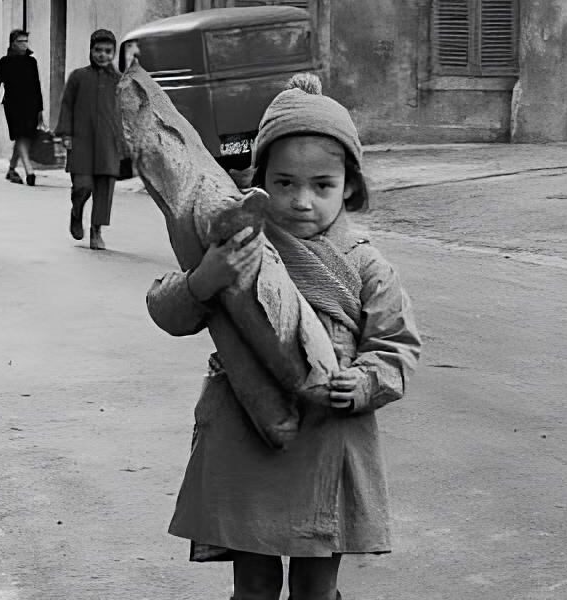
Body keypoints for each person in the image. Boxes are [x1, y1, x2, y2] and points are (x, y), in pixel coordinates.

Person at [145, 76, 422, 600]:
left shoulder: (368, 266)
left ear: (351, 189)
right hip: (246, 429)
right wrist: (207, 276)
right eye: (284, 183)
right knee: (252, 585)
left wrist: (364, 383)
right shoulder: (238, 243)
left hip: (330, 434)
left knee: (316, 588)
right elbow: (167, 311)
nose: (301, 201)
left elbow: (396, 346)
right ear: (259, 182)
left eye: (322, 185)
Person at [55, 29, 123, 250]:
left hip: (108, 142)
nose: (102, 55)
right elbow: (66, 105)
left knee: (104, 189)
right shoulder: (78, 77)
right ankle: (77, 212)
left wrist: (127, 141)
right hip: (81, 141)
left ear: (113, 53)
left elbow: (127, 111)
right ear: (90, 50)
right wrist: (66, 134)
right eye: (98, 50)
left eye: (107, 51)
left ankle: (96, 231)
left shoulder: (120, 81)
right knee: (82, 186)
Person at [0, 29, 44, 186]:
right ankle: (29, 171)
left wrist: (40, 109)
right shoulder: (3, 63)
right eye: (21, 41)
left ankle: (12, 169)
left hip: (31, 105)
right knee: (20, 135)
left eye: (26, 41)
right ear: (13, 44)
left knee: (25, 137)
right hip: (13, 105)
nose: (24, 45)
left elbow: (37, 86)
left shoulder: (31, 62)